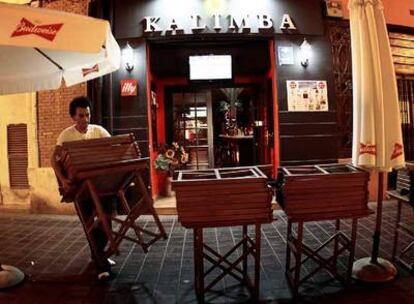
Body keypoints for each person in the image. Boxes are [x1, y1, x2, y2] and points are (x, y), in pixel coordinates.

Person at [51, 96, 114, 281]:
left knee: (106, 221)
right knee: (89, 224)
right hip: (80, 189)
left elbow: (112, 149)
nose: (85, 119)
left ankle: (100, 256)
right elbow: (53, 159)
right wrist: (62, 180)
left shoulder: (99, 131)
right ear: (73, 117)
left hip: (101, 186)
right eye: (81, 115)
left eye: (87, 114)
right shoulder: (66, 135)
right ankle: (101, 263)